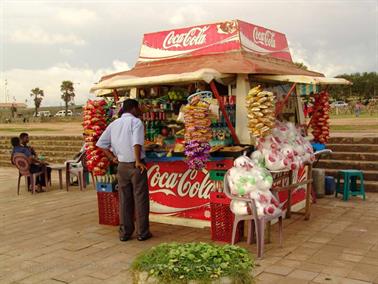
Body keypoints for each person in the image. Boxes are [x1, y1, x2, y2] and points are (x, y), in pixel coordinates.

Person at [97, 99, 152, 242]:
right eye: (139, 107)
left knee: (124, 200)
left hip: (121, 166)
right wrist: (138, 161)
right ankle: (142, 232)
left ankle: (125, 233)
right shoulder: (136, 122)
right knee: (140, 199)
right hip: (135, 165)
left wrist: (112, 158)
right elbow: (137, 143)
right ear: (133, 108)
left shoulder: (114, 124)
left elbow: (101, 144)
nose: (140, 109)